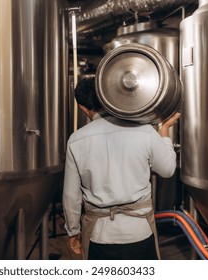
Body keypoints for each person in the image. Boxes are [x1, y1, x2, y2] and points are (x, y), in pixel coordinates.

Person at [62, 77, 180, 260]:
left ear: (83, 108)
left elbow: (71, 196)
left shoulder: (76, 140)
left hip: (99, 235)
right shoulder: (145, 131)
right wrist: (164, 133)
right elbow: (168, 169)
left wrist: (73, 231)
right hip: (139, 232)